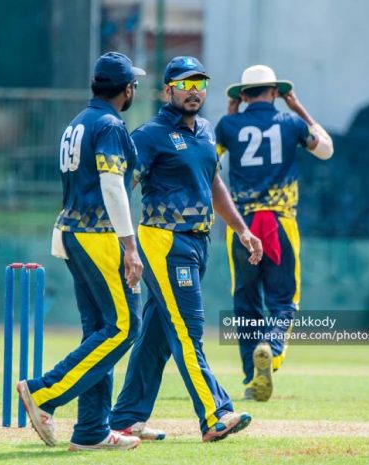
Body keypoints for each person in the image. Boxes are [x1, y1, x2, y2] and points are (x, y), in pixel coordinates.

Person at [108, 56, 263, 443]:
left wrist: (242, 229)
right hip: (163, 240)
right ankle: (215, 414)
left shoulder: (207, 131)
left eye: (199, 84)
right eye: (185, 85)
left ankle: (125, 419)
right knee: (188, 330)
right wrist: (123, 243)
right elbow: (121, 186)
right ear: (168, 90)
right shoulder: (149, 135)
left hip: (197, 240)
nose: (194, 92)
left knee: (157, 335)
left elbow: (213, 184)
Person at [16, 52, 146, 451]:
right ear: (127, 89)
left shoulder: (77, 123)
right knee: (124, 327)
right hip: (98, 235)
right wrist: (130, 245)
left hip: (73, 232)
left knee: (99, 331)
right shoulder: (110, 125)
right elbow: (111, 186)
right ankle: (44, 392)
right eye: (134, 85)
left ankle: (91, 430)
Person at [215, 65, 334, 402]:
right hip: (280, 222)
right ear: (275, 92)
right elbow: (326, 149)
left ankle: (251, 375)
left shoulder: (227, 126)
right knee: (284, 299)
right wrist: (299, 108)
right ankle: (273, 347)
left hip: (241, 225)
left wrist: (230, 116)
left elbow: (208, 160)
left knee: (245, 300)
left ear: (242, 95)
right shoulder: (291, 123)